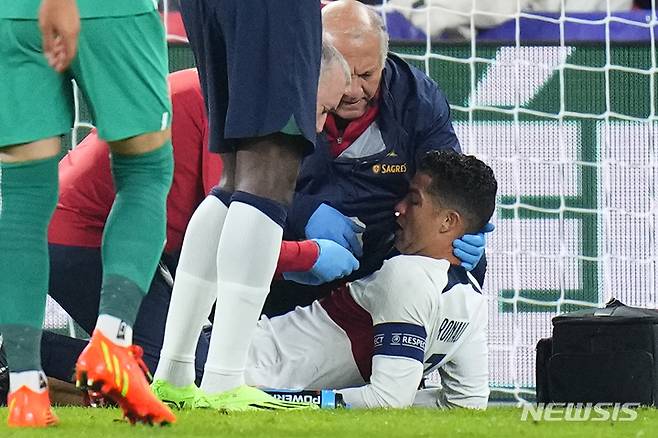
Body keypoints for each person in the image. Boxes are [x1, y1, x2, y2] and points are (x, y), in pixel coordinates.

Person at [40, 65, 356, 388]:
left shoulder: (220, 89)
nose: (318, 127)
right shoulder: (230, 109)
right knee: (174, 369)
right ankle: (16, 354)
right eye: (321, 110)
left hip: (92, 229)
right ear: (300, 87)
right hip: (84, 236)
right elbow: (230, 236)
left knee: (184, 363)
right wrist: (308, 255)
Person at [154, 149, 497, 410]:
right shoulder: (474, 300)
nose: (399, 209)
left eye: (414, 201)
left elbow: (396, 401)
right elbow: (460, 403)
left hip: (241, 373)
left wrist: (287, 401)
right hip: (224, 363)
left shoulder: (409, 275)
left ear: (447, 222)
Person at [1, 0, 175, 427]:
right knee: (145, 172)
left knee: (22, 198)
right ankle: (111, 344)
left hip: (12, 15)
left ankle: (25, 387)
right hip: (107, 12)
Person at [271, 0, 493, 314]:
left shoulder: (418, 101)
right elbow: (244, 187)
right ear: (311, 59)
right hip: (297, 260)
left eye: (366, 74)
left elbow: (445, 186)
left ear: (383, 60)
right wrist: (303, 213)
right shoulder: (279, 95)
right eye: (343, 73)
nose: (352, 90)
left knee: (458, 252)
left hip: (388, 258)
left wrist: (465, 220)